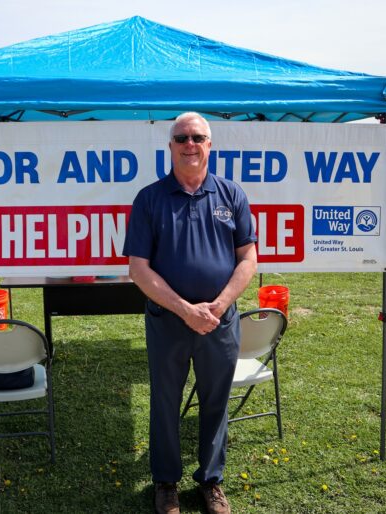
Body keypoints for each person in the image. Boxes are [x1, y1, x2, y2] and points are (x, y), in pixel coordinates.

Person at [124, 112, 257, 514]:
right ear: (170, 147)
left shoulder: (231, 194)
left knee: (216, 402)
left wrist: (217, 306)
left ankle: (211, 481)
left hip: (220, 322)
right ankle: (165, 483)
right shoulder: (150, 198)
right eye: (181, 137)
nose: (190, 144)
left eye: (198, 137)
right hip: (168, 322)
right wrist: (185, 310)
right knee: (165, 401)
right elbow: (138, 268)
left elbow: (248, 257)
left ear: (209, 145)